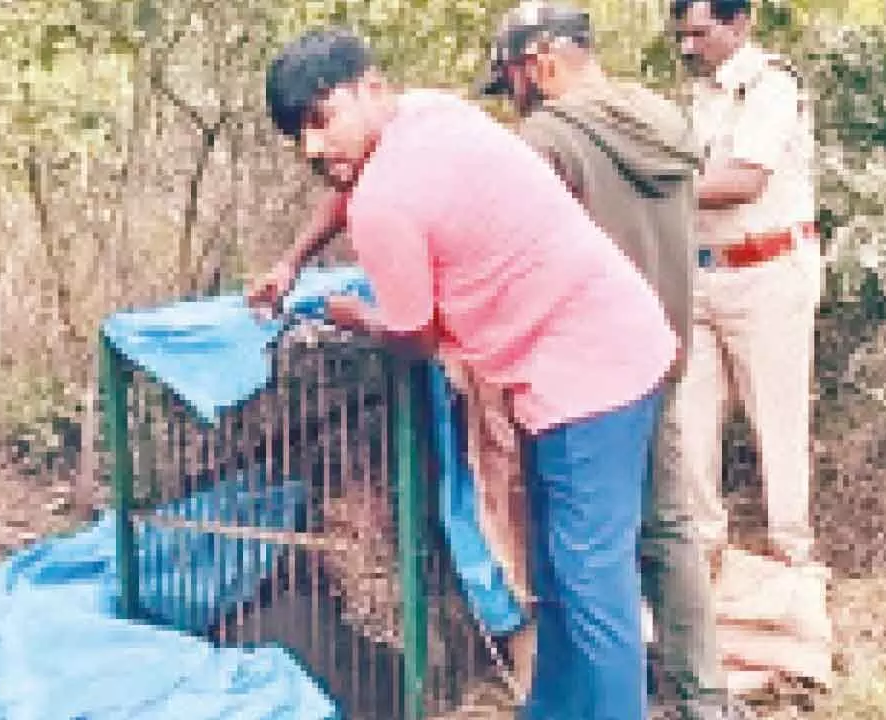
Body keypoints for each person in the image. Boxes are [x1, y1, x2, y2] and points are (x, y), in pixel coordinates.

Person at [255, 26, 677, 720]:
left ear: (371, 89)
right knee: (559, 571)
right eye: (300, 133)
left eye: (321, 120)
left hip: (590, 373)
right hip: (587, 348)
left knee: (592, 582)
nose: (313, 147)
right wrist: (292, 260)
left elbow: (415, 337)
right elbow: (349, 183)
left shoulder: (386, 203)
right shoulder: (428, 112)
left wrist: (359, 320)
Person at [474, 3, 729, 718]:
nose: (515, 93)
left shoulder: (548, 143)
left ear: (542, 62)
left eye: (515, 77)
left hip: (590, 377)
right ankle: (701, 695)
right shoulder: (665, 119)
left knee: (589, 560)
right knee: (669, 529)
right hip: (665, 351)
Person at [670, 0, 821, 571]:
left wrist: (656, 190)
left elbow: (743, 181)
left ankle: (793, 558)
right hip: (703, 273)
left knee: (778, 424)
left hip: (767, 274)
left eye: (701, 33)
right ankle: (702, 558)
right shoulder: (700, 97)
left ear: (740, 23)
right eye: (682, 35)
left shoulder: (771, 85)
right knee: (689, 424)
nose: (689, 47)